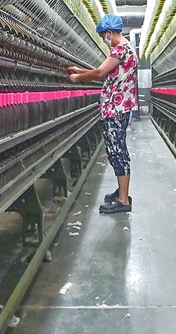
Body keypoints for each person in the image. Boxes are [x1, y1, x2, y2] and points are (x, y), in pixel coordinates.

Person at [68, 13, 138, 213]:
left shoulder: (120, 49)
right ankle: (121, 192)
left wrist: (77, 79)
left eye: (103, 37)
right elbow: (104, 72)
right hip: (116, 109)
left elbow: (99, 73)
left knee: (118, 152)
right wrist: (80, 71)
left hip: (116, 110)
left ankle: (123, 201)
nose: (104, 41)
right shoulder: (125, 49)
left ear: (109, 33)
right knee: (116, 151)